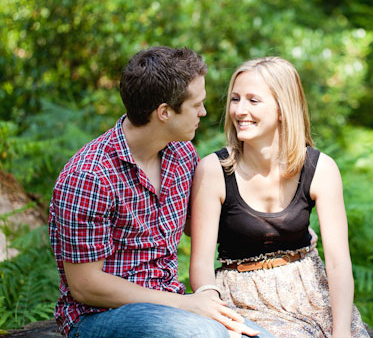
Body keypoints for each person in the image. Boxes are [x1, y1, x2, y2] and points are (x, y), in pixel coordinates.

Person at [48, 46, 273, 338]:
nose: (203, 112)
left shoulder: (182, 154)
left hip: (171, 306)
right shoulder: (89, 176)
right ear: (164, 112)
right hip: (99, 316)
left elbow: (202, 226)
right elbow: (85, 285)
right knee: (204, 335)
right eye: (196, 105)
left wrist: (278, 227)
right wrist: (186, 304)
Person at [189, 57, 369, 337]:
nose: (240, 110)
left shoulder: (320, 169)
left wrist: (342, 331)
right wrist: (218, 318)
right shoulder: (214, 171)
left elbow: (337, 261)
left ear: (283, 109)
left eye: (253, 100)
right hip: (242, 299)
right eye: (235, 99)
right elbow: (200, 265)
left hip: (309, 292)